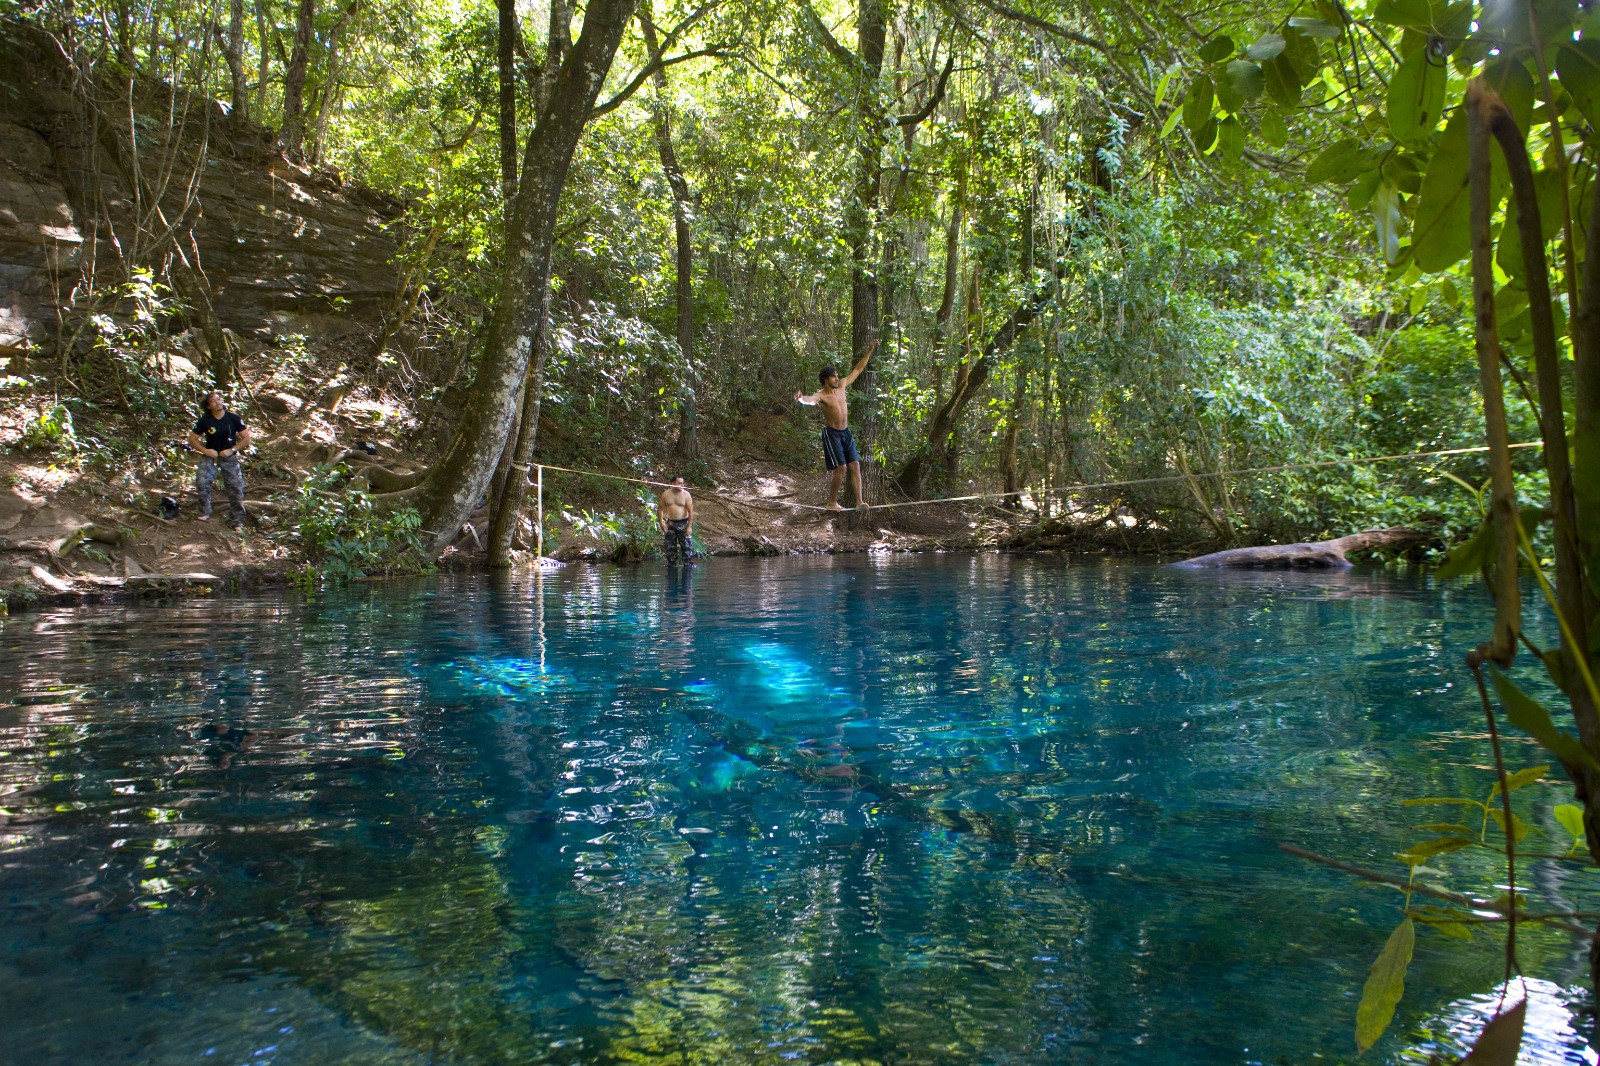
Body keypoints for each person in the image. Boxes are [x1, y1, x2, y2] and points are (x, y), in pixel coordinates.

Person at [795, 337, 878, 509]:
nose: (837, 378)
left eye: (837, 376)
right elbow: (810, 400)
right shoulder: (821, 396)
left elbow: (858, 369)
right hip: (832, 433)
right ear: (825, 379)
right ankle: (831, 502)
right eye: (833, 376)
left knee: (855, 464)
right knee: (841, 468)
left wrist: (869, 349)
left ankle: (859, 502)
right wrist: (800, 398)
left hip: (846, 432)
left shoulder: (842, 386)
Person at [188, 391, 250, 528]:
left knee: (235, 486)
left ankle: (237, 519)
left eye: (219, 399)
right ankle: (204, 511)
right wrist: (205, 451)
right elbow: (192, 439)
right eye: (213, 401)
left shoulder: (233, 418)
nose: (218, 402)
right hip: (211, 455)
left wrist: (232, 450)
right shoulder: (205, 421)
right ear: (208, 406)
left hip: (229, 456)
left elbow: (246, 438)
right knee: (202, 481)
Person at [657, 475, 695, 565]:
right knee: (670, 549)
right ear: (673, 483)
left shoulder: (686, 495)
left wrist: (689, 527)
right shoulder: (666, 494)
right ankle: (672, 567)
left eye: (682, 483)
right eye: (679, 483)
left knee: (687, 549)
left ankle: (687, 567)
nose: (682, 485)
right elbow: (660, 509)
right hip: (670, 524)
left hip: (683, 523)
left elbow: (691, 512)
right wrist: (661, 523)